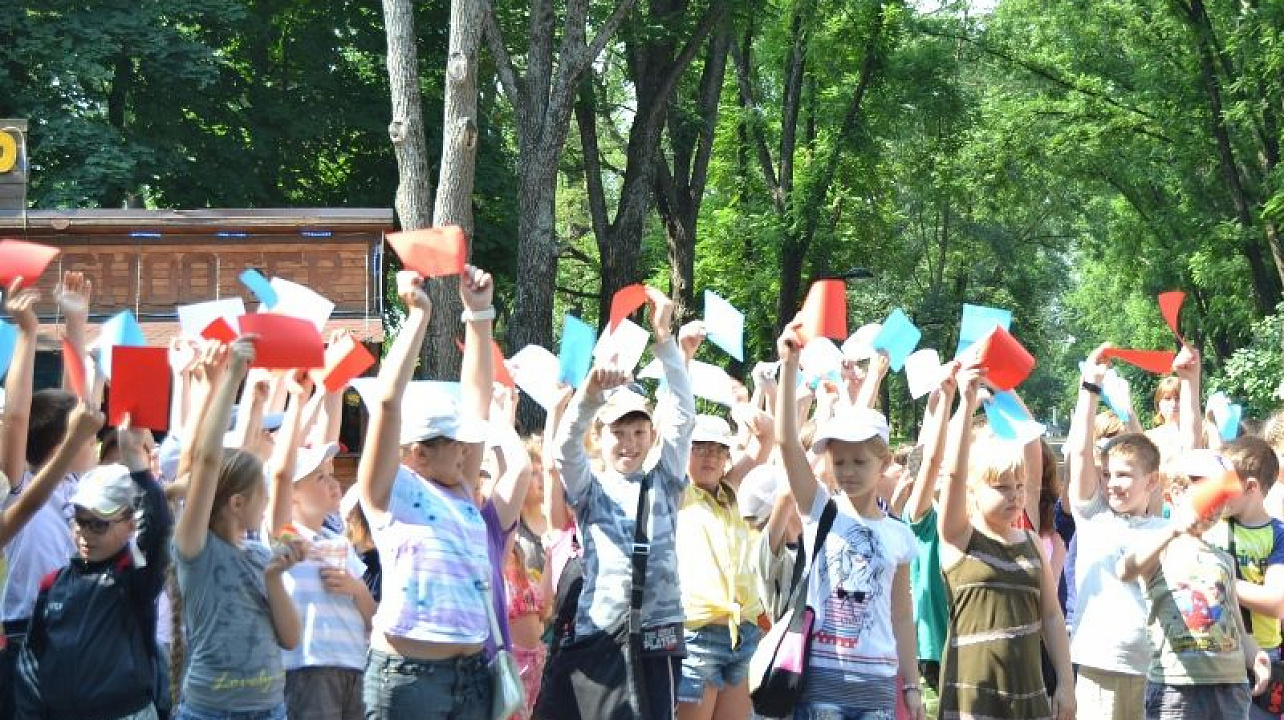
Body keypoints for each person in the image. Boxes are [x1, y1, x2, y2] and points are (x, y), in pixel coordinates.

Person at [355, 267, 515, 720]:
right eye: (455, 442)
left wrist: (479, 315)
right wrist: (417, 317)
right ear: (417, 453)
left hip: (472, 676)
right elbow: (388, 403)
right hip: (408, 680)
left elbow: (478, 402)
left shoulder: (462, 485)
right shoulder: (389, 491)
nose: (468, 448)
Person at [547, 286, 695, 720]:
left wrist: (665, 341)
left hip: (660, 636)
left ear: (652, 435)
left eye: (638, 433)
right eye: (618, 432)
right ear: (601, 435)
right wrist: (589, 397)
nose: (629, 444)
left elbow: (684, 416)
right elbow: (563, 449)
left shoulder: (665, 481)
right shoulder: (590, 489)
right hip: (603, 636)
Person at [774, 320, 923, 720]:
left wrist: (910, 685)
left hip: (877, 685)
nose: (849, 471)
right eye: (839, 461)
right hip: (820, 682)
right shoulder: (820, 511)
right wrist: (788, 365)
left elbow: (902, 614)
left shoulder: (899, 535)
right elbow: (787, 442)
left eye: (860, 461)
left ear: (885, 462)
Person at [169, 337, 306, 720]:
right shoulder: (195, 549)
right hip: (209, 712)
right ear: (237, 503)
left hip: (268, 710)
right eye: (262, 496)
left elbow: (291, 638)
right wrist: (232, 377)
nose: (267, 506)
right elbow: (208, 461)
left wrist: (276, 578)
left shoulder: (262, 555)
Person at [936, 365, 1075, 720]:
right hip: (973, 697)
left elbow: (1052, 616)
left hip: (1028, 695)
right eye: (1001, 487)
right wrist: (966, 403)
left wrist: (1066, 684)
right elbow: (952, 472)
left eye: (1019, 486)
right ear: (972, 489)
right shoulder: (959, 536)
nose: (1014, 496)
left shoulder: (1029, 539)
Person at [17, 411, 172, 720]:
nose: (85, 534)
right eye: (80, 521)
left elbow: (157, 533)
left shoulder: (134, 577)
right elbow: (31, 662)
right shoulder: (53, 583)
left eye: (98, 525)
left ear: (130, 523)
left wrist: (137, 466)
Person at [1118, 449, 1271, 719]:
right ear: (1174, 494)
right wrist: (1174, 529)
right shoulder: (1159, 548)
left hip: (1230, 684)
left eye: (1221, 500)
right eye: (1207, 495)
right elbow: (1126, 570)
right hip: (1176, 686)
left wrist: (1253, 653)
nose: (1215, 507)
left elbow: (1235, 622)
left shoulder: (1224, 559)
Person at [1065, 343, 1170, 720]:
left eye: (1123, 475)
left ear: (1151, 481)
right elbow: (1079, 453)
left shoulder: (1163, 526)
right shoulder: (1093, 517)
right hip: (1100, 665)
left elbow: (1145, 454)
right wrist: (1089, 386)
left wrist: (1131, 416)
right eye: (1107, 475)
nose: (1112, 484)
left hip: (1156, 667)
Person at [265, 375, 373, 720]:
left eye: (330, 473)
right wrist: (300, 400)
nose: (332, 481)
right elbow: (281, 476)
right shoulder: (284, 538)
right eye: (319, 477)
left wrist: (356, 589)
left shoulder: (338, 542)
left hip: (355, 665)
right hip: (307, 668)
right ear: (292, 495)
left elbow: (372, 612)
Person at [675, 414, 768, 720]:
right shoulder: (678, 493)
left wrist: (760, 407)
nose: (711, 456)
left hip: (742, 632)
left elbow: (764, 442)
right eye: (700, 447)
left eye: (719, 449)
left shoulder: (730, 492)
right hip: (697, 632)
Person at [1201, 435, 1284, 720]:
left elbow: (1276, 601)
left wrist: (1216, 578)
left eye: (1225, 486)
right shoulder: (1211, 525)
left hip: (1262, 653)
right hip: (1213, 652)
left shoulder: (1277, 535)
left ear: (1250, 487)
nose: (1216, 493)